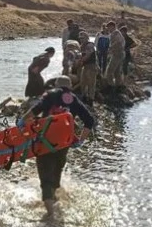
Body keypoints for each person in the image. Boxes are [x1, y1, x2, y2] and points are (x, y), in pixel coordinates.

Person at [17, 76, 95, 217]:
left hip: (45, 142)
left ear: (56, 85)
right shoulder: (74, 99)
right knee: (56, 172)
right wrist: (80, 140)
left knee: (45, 178)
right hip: (63, 144)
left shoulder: (50, 95)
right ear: (70, 86)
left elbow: (34, 111)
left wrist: (22, 122)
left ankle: (51, 215)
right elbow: (90, 121)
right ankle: (54, 200)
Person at [104, 21, 126, 91]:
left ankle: (111, 85)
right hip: (119, 54)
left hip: (117, 54)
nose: (108, 29)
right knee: (117, 71)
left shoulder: (115, 33)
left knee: (110, 71)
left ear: (113, 26)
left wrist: (110, 48)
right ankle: (118, 86)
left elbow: (118, 41)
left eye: (109, 27)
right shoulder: (115, 33)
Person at [77, 31, 97, 105]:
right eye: (80, 38)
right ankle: (84, 97)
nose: (81, 39)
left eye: (83, 38)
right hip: (85, 66)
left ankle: (91, 100)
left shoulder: (89, 45)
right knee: (83, 83)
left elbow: (87, 56)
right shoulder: (82, 46)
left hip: (91, 66)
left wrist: (80, 61)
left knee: (91, 84)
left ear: (87, 38)